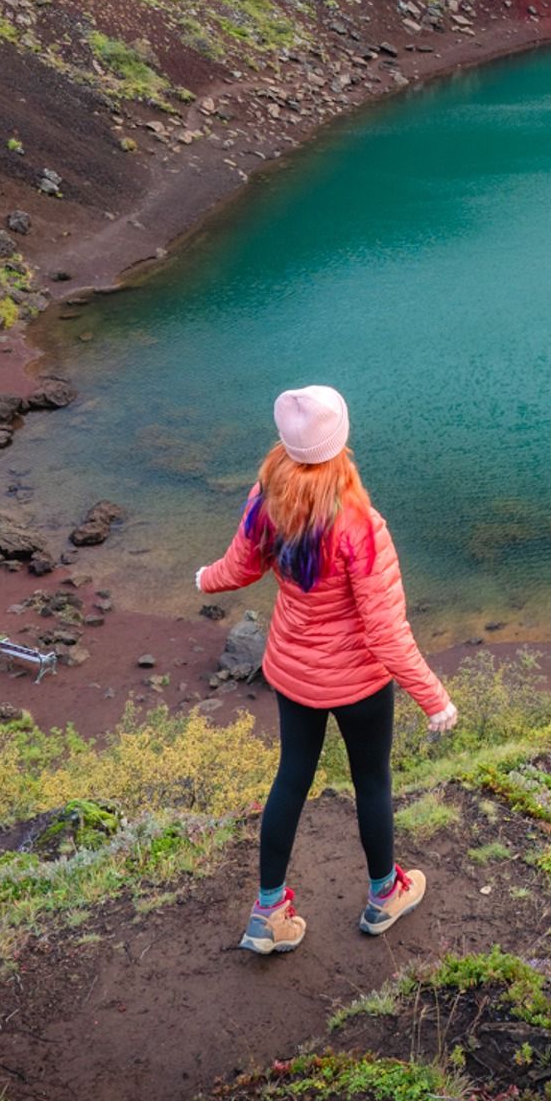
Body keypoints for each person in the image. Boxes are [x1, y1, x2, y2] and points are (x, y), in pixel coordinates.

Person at [197, 383, 457, 954]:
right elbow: (385, 630)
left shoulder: (266, 496)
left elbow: (239, 568)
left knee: (292, 777)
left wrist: (204, 579)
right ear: (340, 442)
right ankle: (385, 895)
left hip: (293, 670)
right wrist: (433, 697)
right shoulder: (359, 523)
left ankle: (267, 913)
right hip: (360, 681)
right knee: (372, 781)